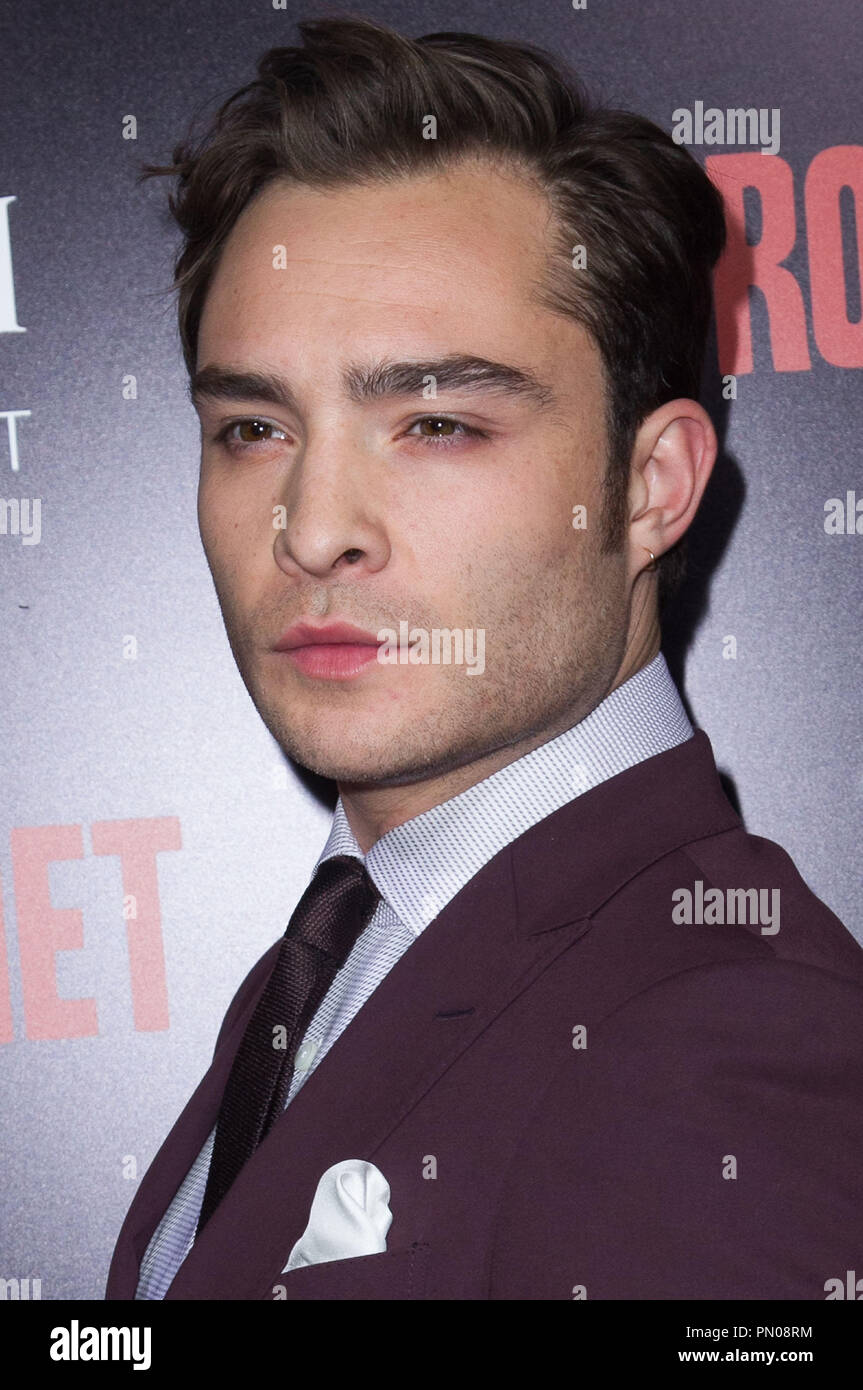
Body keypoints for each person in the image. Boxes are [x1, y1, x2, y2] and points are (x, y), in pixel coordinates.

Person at [106, 16, 863, 1301]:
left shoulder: (732, 1044)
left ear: (650, 485)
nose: (315, 529)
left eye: (438, 421)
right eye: (252, 426)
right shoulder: (335, 956)